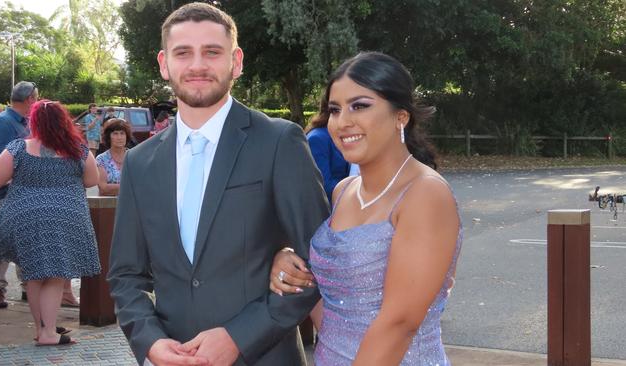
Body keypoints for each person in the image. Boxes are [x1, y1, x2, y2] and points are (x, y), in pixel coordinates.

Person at [106, 3, 329, 365]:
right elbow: (125, 274)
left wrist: (238, 338)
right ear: (164, 64)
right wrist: (150, 342)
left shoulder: (278, 142)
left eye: (212, 52)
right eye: (183, 53)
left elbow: (321, 260)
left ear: (235, 61)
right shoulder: (140, 161)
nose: (197, 65)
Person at [269, 52, 462, 365]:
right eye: (334, 109)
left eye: (360, 105)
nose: (343, 121)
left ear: (401, 115)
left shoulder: (425, 194)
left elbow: (399, 324)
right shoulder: (344, 191)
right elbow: (335, 301)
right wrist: (287, 262)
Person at [0, 99, 100, 346]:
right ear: (64, 122)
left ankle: (41, 330)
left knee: (34, 276)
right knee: (55, 276)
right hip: (66, 217)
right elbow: (91, 181)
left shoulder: (18, 148)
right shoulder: (78, 150)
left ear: (34, 123)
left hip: (25, 218)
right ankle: (48, 334)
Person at [0, 81, 38, 308]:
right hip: (5, 192)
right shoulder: (3, 122)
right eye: (36, 97)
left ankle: (28, 287)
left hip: (26, 192)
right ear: (30, 100)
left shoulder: (27, 122)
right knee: (2, 241)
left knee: (28, 241)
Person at [306, 107, 350, 203]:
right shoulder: (317, 138)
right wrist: (358, 189)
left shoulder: (340, 134)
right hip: (329, 208)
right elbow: (323, 184)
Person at [96, 118, 130, 196]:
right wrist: (131, 188)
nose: (119, 137)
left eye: (122, 133)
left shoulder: (134, 157)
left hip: (130, 205)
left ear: (126, 136)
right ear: (109, 137)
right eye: (115, 133)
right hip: (107, 206)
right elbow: (103, 188)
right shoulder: (101, 159)